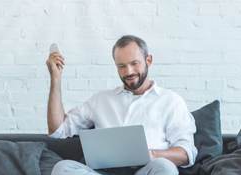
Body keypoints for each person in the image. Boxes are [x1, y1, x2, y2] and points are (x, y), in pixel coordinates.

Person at [46, 35, 197, 175]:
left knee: (165, 168)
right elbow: (57, 130)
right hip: (104, 172)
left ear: (148, 60)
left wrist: (149, 154)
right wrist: (56, 78)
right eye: (122, 66)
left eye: (134, 63)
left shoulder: (170, 101)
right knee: (62, 168)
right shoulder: (101, 100)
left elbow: (186, 153)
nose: (128, 71)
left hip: (146, 170)